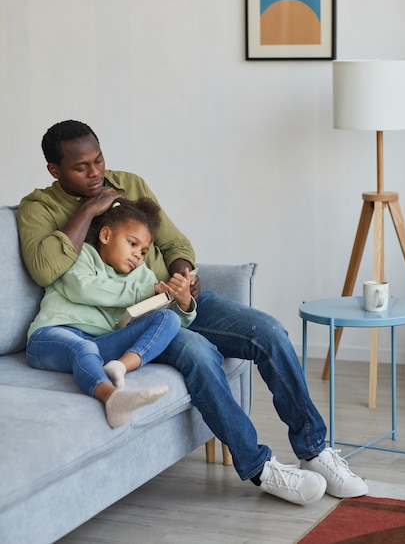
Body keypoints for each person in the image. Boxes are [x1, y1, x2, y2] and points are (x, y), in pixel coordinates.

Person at [18, 120, 368, 506]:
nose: (96, 172)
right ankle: (259, 468)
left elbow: (173, 241)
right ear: (55, 170)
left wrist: (185, 272)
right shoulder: (40, 208)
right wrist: (90, 209)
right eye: (81, 167)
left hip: (173, 299)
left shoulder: (129, 183)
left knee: (267, 330)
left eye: (99, 160)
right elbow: (45, 268)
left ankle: (314, 449)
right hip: (130, 321)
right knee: (200, 353)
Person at [26, 196, 197, 428]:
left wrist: (184, 304)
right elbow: (83, 289)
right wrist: (144, 290)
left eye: (144, 251)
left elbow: (170, 326)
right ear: (106, 236)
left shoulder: (142, 276)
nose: (138, 255)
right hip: (49, 336)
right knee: (84, 348)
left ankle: (119, 366)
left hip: (99, 342)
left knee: (167, 319)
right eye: (132, 243)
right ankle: (112, 397)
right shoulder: (81, 255)